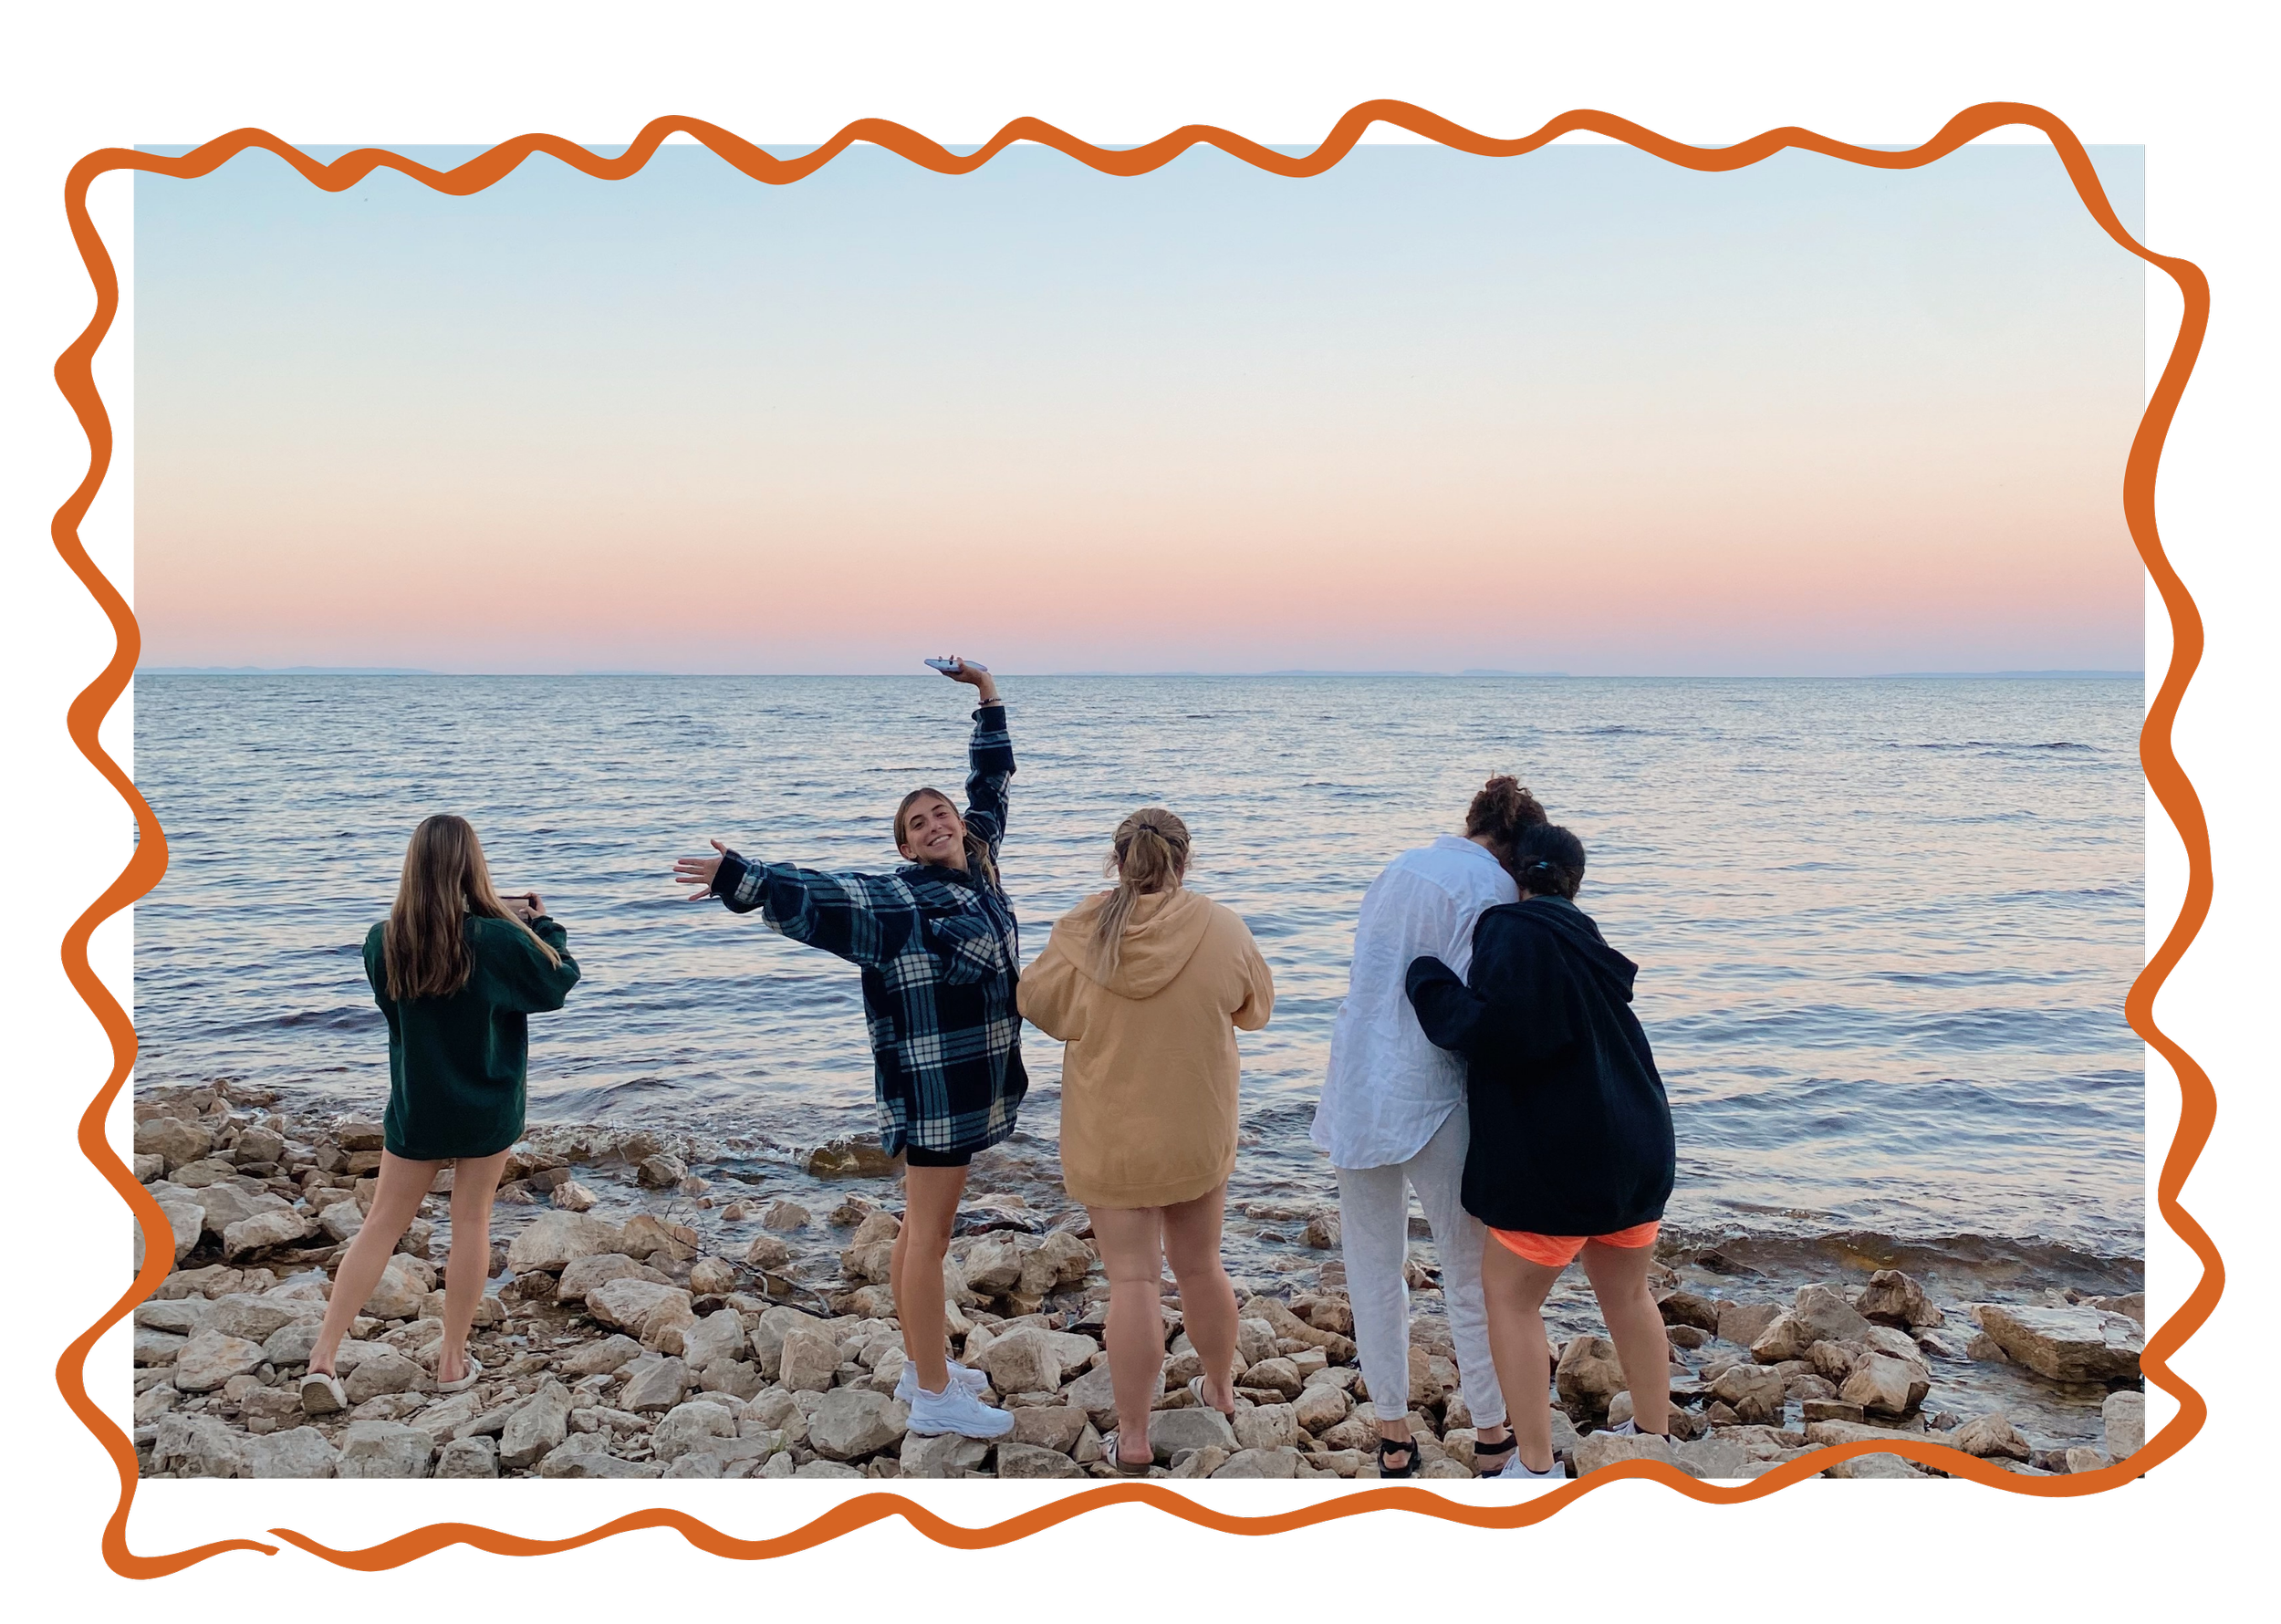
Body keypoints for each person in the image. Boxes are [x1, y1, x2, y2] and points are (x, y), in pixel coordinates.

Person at [672, 658, 1021, 1442]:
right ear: (906, 845)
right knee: (928, 1237)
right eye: (917, 824)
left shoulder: (982, 865)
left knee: (915, 1229)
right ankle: (934, 1396)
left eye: (940, 814)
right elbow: (827, 892)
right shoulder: (907, 899)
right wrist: (743, 876)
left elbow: (992, 785)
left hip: (973, 1083)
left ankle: (917, 1363)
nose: (936, 824)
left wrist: (988, 696)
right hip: (937, 1096)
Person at [1405, 822, 1677, 1491]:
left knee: (1510, 1299)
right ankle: (1652, 1436)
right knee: (1629, 1293)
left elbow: (1496, 1029)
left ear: (1514, 878)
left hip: (1561, 1159)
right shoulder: (1588, 941)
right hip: (1639, 1145)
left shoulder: (1509, 928)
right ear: (1574, 883)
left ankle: (1533, 1467)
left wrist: (1426, 979)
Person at [1017, 808, 1274, 1476]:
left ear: (1118, 861)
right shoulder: (1222, 927)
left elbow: (1038, 1006)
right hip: (1196, 1128)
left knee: (1132, 1281)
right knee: (1200, 1265)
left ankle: (1132, 1438)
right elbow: (1257, 1008)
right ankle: (1219, 1390)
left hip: (1112, 1135)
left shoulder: (1084, 930)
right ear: (1182, 862)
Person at [301, 815, 582, 1415]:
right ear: (471, 870)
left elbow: (396, 1002)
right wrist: (536, 920)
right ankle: (452, 1362)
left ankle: (324, 1357)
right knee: (471, 1223)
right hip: (486, 1106)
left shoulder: (384, 941)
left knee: (380, 1225)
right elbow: (560, 981)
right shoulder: (500, 942)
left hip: (418, 1108)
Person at [1308, 776, 1544, 1484]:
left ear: (1471, 823)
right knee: (1474, 1272)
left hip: (1357, 1083)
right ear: (1515, 847)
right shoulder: (1494, 891)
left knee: (1373, 1268)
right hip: (1435, 1092)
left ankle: (1392, 1438)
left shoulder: (1398, 867)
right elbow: (1479, 1009)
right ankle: (1493, 1432)